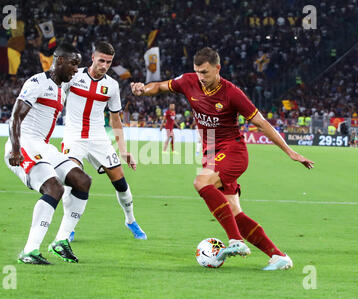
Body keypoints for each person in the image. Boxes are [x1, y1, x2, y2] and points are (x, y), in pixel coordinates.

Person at [131, 47, 314, 270]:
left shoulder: (232, 93)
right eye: (197, 71)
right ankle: (278, 256)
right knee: (235, 214)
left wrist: (290, 152)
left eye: (205, 72)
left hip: (233, 152)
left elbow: (262, 124)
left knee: (201, 182)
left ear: (218, 68)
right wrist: (143, 89)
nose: (201, 77)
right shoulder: (188, 82)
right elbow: (159, 86)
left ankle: (236, 241)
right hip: (212, 155)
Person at [4, 43, 92, 264]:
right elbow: (15, 117)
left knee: (82, 180)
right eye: (73, 63)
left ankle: (60, 241)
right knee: (54, 188)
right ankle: (29, 251)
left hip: (42, 146)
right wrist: (15, 149)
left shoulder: (61, 88)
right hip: (24, 143)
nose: (75, 69)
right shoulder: (37, 83)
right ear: (60, 60)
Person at [62, 41, 146, 241]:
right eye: (101, 60)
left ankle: (130, 220)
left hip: (98, 138)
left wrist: (124, 150)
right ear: (92, 58)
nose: (104, 65)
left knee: (121, 184)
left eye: (108, 62)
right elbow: (57, 101)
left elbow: (116, 119)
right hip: (74, 137)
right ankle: (68, 227)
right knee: (71, 181)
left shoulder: (112, 86)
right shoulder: (72, 77)